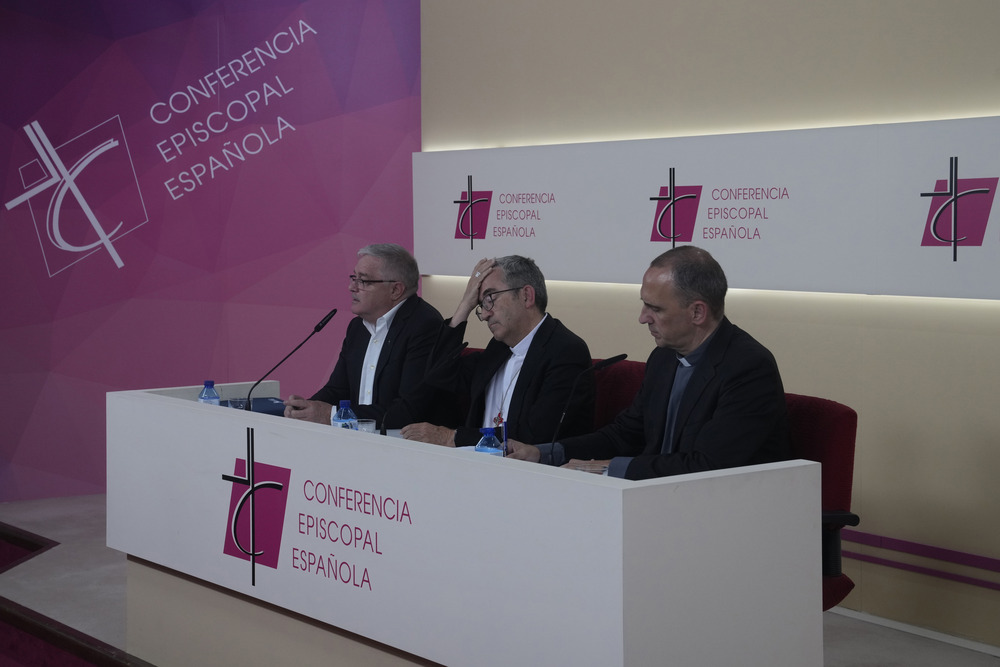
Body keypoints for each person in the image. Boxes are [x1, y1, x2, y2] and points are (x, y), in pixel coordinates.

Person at [506, 245, 789, 480]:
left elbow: (708, 465)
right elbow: (624, 434)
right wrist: (544, 453)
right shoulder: (663, 358)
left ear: (698, 312)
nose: (643, 318)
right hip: (656, 497)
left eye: (654, 308)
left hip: (723, 512)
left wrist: (609, 468)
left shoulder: (748, 368)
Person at [401, 255, 594, 447]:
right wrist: (465, 305)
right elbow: (437, 375)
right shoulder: (498, 348)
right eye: (481, 305)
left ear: (526, 296)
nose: (484, 315)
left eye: (490, 299)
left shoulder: (566, 351)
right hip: (478, 465)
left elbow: (534, 436)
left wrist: (453, 437)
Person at [283, 243, 444, 429]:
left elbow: (408, 411)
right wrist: (306, 409)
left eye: (363, 281)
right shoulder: (358, 327)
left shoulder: (424, 325)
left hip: (406, 445)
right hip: (358, 439)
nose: (352, 287)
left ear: (395, 290)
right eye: (353, 278)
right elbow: (338, 390)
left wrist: (331, 415)